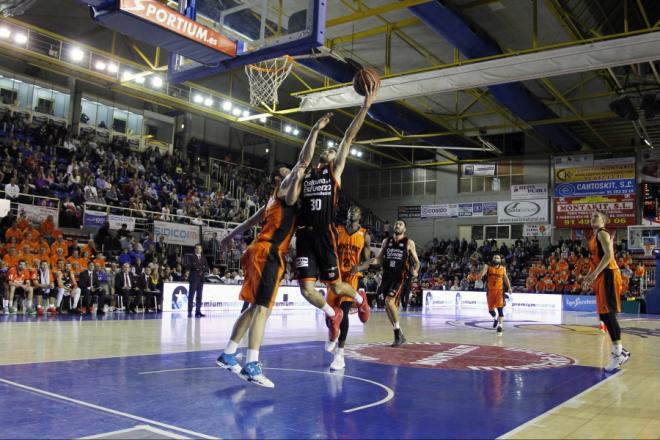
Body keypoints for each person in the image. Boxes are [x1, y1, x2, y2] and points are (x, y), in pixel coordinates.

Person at [216, 112, 332, 388]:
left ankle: (228, 353)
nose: (295, 176)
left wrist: (228, 236)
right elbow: (304, 161)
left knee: (254, 307)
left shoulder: (272, 199)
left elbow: (249, 221)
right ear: (282, 180)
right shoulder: (285, 191)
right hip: (268, 253)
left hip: (259, 251)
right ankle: (252, 364)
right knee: (263, 309)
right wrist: (314, 128)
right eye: (288, 175)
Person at [294, 87, 376, 343]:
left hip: (324, 234)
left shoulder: (334, 173)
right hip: (304, 236)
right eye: (327, 150)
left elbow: (348, 137)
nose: (330, 151)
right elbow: (303, 158)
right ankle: (332, 315)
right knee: (306, 290)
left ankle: (361, 300)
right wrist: (315, 130)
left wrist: (364, 107)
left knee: (338, 287)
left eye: (332, 150)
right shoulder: (306, 171)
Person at [358, 219, 420, 347]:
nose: (397, 225)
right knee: (387, 306)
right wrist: (369, 261)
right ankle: (399, 333)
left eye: (400, 224)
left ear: (405, 229)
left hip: (399, 277)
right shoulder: (386, 241)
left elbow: (417, 262)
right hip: (386, 277)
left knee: (389, 301)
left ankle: (397, 334)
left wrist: (416, 270)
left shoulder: (409, 242)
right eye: (396, 224)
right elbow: (380, 258)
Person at [582, 211, 630, 371]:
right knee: (603, 315)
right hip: (602, 275)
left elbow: (609, 255)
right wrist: (589, 276)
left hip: (609, 273)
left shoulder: (603, 234)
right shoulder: (593, 238)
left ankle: (618, 353)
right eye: (591, 217)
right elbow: (594, 262)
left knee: (608, 313)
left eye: (596, 217)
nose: (592, 218)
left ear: (604, 221)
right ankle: (620, 351)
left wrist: (595, 274)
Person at [325, 205, 371, 371]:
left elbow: (368, 261)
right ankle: (332, 335)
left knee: (343, 313)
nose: (353, 211)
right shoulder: (338, 230)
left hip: (351, 277)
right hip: (336, 276)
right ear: (348, 213)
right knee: (329, 315)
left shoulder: (364, 235)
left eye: (356, 210)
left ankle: (340, 355)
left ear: (360, 215)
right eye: (350, 210)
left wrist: (359, 268)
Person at [478, 254, 512, 333]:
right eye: (494, 257)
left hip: (499, 291)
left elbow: (506, 278)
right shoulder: (488, 267)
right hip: (490, 291)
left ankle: (500, 325)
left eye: (497, 258)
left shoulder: (503, 268)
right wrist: (484, 268)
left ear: (500, 260)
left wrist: (509, 287)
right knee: (490, 310)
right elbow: (480, 276)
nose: (496, 259)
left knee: (500, 309)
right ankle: (495, 318)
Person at [185, 244, 209, 318]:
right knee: (191, 296)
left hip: (201, 279)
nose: (198, 250)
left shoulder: (203, 257)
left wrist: (200, 269)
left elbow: (207, 267)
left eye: (200, 249)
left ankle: (198, 312)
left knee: (199, 296)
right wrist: (200, 268)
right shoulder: (191, 257)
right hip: (194, 278)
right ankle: (189, 311)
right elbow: (190, 265)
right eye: (197, 248)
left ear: (201, 250)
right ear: (195, 249)